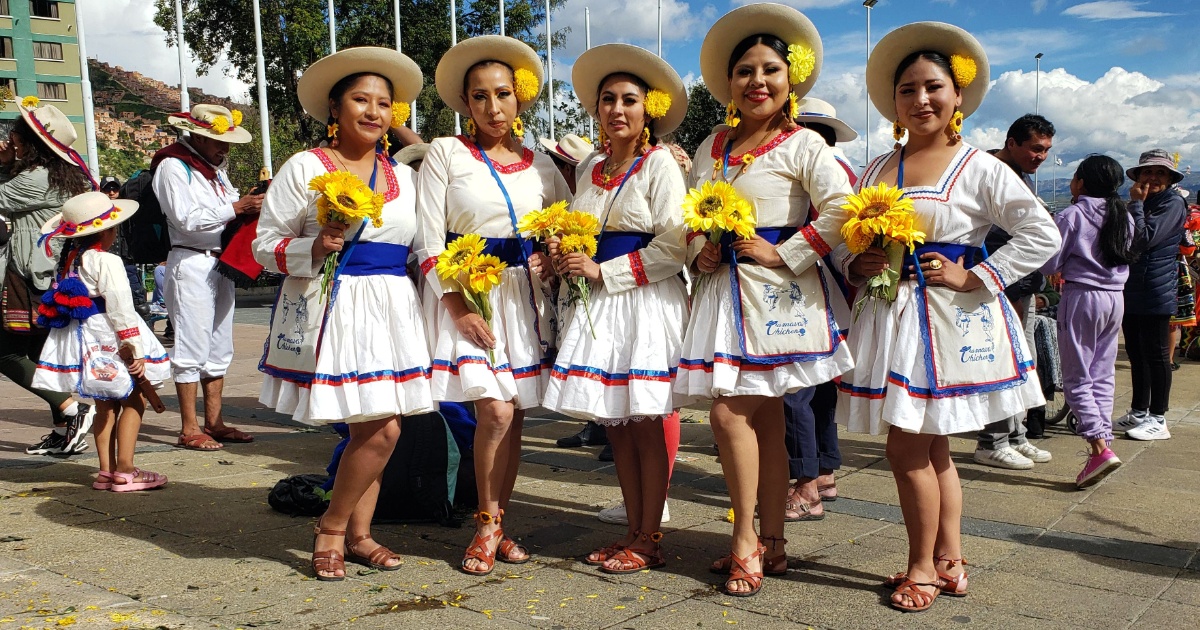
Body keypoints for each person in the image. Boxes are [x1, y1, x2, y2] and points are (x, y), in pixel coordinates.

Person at [837, 22, 1059, 612]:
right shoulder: (878, 167)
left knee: (906, 450)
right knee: (931, 450)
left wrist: (975, 275)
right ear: (894, 102)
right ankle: (950, 558)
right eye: (907, 90)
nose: (921, 100)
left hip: (945, 323)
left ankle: (920, 568)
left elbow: (1041, 232)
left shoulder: (978, 167)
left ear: (958, 95)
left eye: (933, 86)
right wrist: (858, 263)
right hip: (890, 319)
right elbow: (845, 240)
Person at [676, 4, 856, 597]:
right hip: (722, 294)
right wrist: (701, 246)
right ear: (729, 83)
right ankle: (771, 541)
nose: (758, 81)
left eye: (770, 70)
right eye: (746, 71)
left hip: (778, 296)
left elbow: (840, 210)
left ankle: (747, 539)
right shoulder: (712, 144)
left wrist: (787, 252)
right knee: (766, 419)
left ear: (791, 79)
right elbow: (694, 212)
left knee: (732, 415)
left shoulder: (804, 144)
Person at [253, 46, 432, 581]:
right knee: (380, 431)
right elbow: (264, 245)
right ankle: (334, 528)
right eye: (361, 99)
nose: (374, 112)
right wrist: (314, 246)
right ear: (335, 107)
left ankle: (359, 534)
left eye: (384, 103)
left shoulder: (404, 174)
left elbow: (422, 247)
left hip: (391, 306)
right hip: (334, 303)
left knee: (372, 429)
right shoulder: (306, 167)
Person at [416, 35, 570, 576]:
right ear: (465, 103)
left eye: (502, 94)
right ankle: (485, 523)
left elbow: (563, 226)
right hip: (470, 294)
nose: (492, 107)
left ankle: (498, 521)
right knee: (495, 411)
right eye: (479, 97)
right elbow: (427, 241)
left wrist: (554, 256)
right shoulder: (445, 153)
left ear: (520, 98)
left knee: (516, 417)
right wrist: (456, 304)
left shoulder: (541, 163)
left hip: (523, 301)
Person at [541, 43, 688, 574]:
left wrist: (606, 271)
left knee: (647, 421)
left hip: (644, 302)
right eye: (608, 100)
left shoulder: (660, 166)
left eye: (629, 99)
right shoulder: (589, 168)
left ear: (648, 109)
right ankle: (631, 529)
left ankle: (650, 536)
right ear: (596, 109)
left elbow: (676, 245)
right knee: (617, 424)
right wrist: (565, 252)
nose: (617, 110)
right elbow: (586, 229)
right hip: (600, 306)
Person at [32, 191, 171, 491]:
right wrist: (134, 348)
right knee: (135, 399)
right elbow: (120, 305)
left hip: (87, 337)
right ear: (107, 230)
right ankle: (126, 469)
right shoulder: (107, 260)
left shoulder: (72, 260)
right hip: (110, 335)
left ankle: (106, 471)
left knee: (105, 404)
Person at [154, 104, 263, 451]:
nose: (224, 149)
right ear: (197, 136)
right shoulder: (173, 167)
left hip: (220, 261)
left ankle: (214, 422)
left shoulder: (214, 171)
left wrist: (248, 203)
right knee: (191, 344)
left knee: (219, 345)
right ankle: (189, 426)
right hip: (191, 259)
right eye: (218, 141)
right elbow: (186, 219)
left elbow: (230, 205)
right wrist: (238, 208)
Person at [0, 99, 96, 456]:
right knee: (41, 353)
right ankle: (64, 428)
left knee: (7, 355)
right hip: (41, 275)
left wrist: (2, 164)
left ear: (31, 145)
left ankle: (74, 408)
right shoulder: (51, 175)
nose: (10, 143)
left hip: (26, 275)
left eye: (16, 138)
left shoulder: (36, 179)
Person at [781, 96, 859, 520]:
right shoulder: (847, 170)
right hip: (840, 288)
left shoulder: (810, 167)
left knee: (795, 388)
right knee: (822, 384)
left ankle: (805, 483)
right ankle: (825, 472)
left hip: (808, 282)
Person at [1039, 155, 1135, 487]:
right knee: (1102, 375)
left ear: (1080, 182)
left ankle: (1098, 447)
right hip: (1115, 298)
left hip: (1082, 297)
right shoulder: (1124, 216)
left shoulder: (1073, 214)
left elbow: (1050, 263)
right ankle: (1103, 443)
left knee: (1077, 375)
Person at [973, 114, 1056, 468]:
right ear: (1013, 143)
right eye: (1036, 148)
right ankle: (992, 440)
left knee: (1023, 364)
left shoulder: (1021, 176)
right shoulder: (990, 173)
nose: (1041, 156)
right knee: (1000, 363)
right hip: (1000, 287)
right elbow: (992, 240)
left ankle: (1016, 434)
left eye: (1046, 150)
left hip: (1023, 287)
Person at [1115, 149, 1188, 441]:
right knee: (1136, 353)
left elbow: (1144, 238)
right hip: (1134, 287)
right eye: (1147, 172)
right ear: (1138, 175)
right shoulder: (1149, 202)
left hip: (1156, 289)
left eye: (1160, 173)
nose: (1153, 177)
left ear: (1169, 179)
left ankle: (1158, 418)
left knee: (1157, 356)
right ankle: (1139, 411)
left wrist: (1135, 204)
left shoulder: (1171, 203)